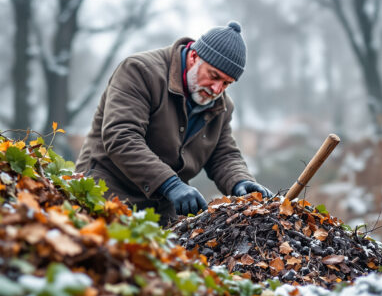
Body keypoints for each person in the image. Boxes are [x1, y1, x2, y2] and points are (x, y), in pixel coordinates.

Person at [75, 21, 271, 225]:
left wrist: (241, 181)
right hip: (103, 194)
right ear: (194, 57)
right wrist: (170, 185)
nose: (216, 89)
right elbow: (121, 136)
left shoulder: (221, 106)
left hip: (161, 210)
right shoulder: (140, 71)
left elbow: (223, 155)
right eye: (214, 76)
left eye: (226, 83)